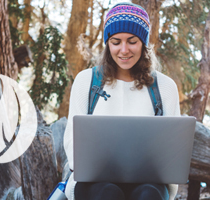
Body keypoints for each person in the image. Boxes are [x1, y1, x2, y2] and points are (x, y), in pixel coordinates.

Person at [63, 2, 180, 200]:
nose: (124, 50)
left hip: (148, 182)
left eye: (132, 41)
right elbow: (72, 138)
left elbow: (174, 148)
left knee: (149, 194)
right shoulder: (87, 81)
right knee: (107, 193)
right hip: (94, 181)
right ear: (107, 43)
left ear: (143, 42)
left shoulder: (164, 87)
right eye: (116, 42)